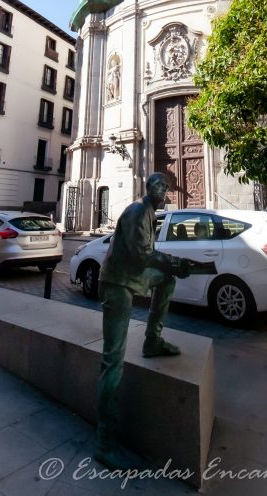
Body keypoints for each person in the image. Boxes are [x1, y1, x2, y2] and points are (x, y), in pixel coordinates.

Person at [96, 172, 191, 470]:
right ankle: (105, 443)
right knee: (113, 361)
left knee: (166, 281)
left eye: (166, 186)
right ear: (148, 188)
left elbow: (147, 257)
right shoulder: (138, 211)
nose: (163, 190)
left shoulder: (151, 212)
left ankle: (152, 341)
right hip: (117, 284)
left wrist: (172, 266)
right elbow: (143, 255)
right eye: (158, 186)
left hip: (132, 276)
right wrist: (174, 262)